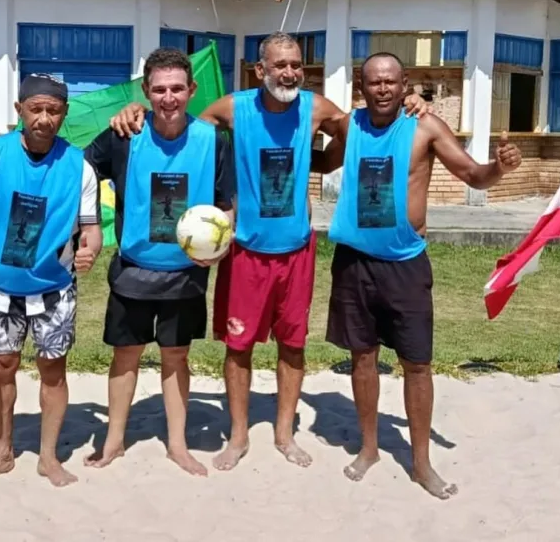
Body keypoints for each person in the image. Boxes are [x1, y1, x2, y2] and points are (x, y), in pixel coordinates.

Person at [109, 32, 430, 472]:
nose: (289, 72)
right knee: (238, 347)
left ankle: (283, 434)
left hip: (296, 251)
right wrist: (137, 113)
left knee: (292, 347)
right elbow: (178, 126)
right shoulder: (233, 109)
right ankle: (238, 436)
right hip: (245, 252)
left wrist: (411, 103)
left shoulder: (315, 108)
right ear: (260, 70)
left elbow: (364, 125)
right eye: (279, 64)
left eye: (296, 64)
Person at [312, 52, 522, 499]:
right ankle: (368, 448)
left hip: (405, 264)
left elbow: (472, 174)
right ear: (361, 86)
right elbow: (321, 163)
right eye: (373, 82)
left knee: (417, 363)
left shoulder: (425, 126)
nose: (382, 89)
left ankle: (421, 462)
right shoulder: (350, 127)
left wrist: (500, 167)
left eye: (390, 81)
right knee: (362, 357)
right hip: (353, 262)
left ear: (404, 82)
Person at [82, 47, 236, 476]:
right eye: (159, 90)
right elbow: (78, 174)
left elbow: (228, 203)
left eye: (177, 89)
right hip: (133, 270)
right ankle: (113, 442)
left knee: (175, 358)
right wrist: (87, 227)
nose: (168, 98)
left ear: (192, 90)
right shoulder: (124, 134)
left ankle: (177, 444)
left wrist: (221, 239)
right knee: (125, 356)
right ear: (146, 92)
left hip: (186, 274)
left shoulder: (213, 140)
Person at [0, 73, 103, 488]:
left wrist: (90, 248)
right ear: (20, 109)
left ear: (65, 113)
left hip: (53, 287)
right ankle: (2, 452)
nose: (44, 118)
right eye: (35, 109)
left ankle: (48, 457)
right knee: (2, 366)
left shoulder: (79, 166)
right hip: (1, 285)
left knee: (52, 369)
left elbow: (90, 227)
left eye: (53, 110)